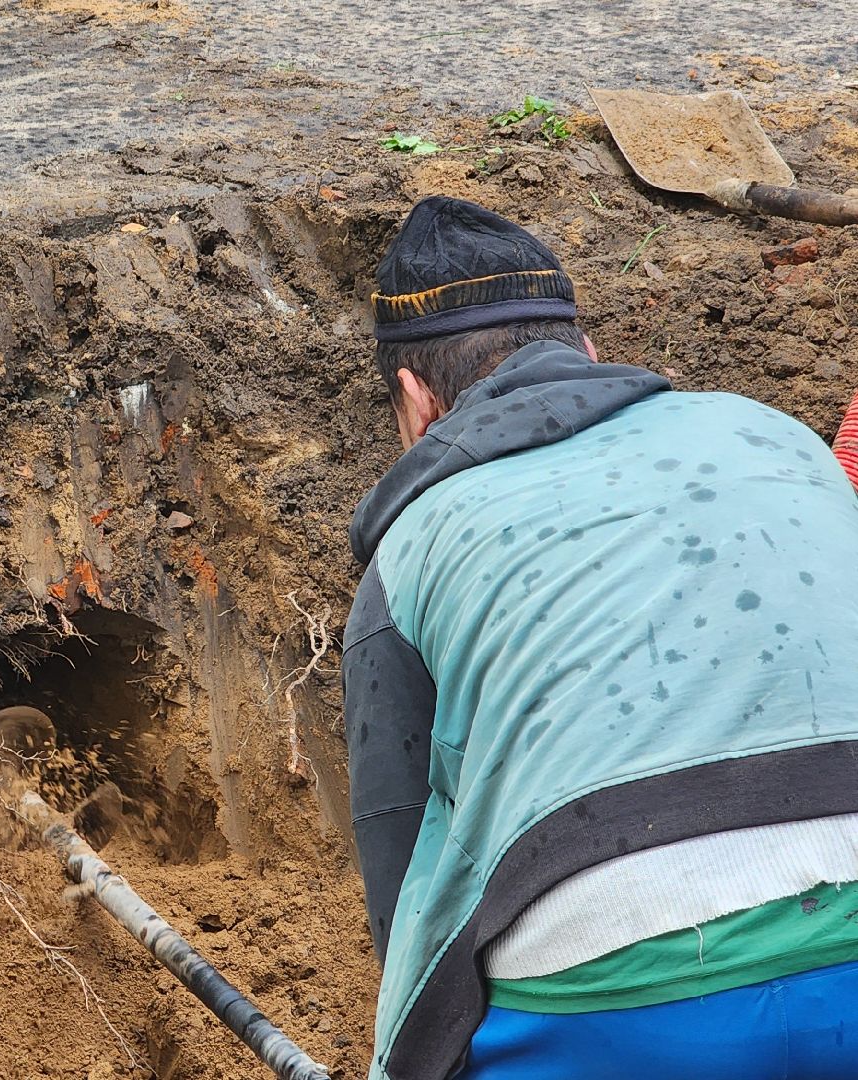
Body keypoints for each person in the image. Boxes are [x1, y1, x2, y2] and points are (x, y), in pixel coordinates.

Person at [341, 195, 858, 1080]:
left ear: (415, 400)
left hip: (625, 1005)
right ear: (584, 352)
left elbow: (405, 896)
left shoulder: (412, 551)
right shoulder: (779, 439)